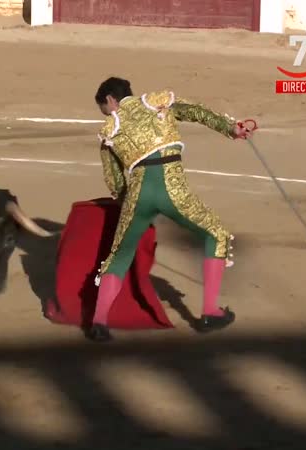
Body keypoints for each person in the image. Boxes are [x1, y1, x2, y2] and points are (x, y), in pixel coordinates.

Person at [87, 76, 254, 342]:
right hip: (171, 187)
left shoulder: (110, 129)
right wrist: (230, 128)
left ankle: (99, 322)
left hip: (138, 194)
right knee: (216, 234)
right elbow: (196, 111)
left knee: (119, 253)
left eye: (104, 108)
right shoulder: (157, 103)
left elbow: (115, 181)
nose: (106, 113)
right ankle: (210, 312)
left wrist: (130, 208)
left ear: (110, 100)